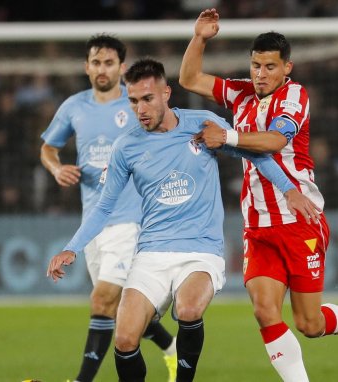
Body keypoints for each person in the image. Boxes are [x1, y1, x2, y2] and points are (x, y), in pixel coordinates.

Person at [47, 58, 318, 382]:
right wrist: (71, 248)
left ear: (166, 93)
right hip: (151, 255)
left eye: (147, 99)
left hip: (200, 252)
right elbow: (104, 208)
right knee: (124, 338)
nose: (140, 109)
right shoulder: (127, 147)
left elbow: (255, 155)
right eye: (133, 101)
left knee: (188, 310)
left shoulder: (202, 125)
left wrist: (289, 190)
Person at [179, 9, 338, 381]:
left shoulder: (295, 97)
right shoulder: (240, 92)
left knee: (309, 322)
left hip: (299, 221)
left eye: (270, 67)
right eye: (256, 66)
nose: (260, 74)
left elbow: (274, 141)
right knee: (264, 311)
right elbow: (189, 77)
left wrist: (227, 136)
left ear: (286, 68)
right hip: (257, 226)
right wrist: (200, 38)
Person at [40, 35, 177, 382]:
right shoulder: (74, 107)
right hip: (94, 222)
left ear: (122, 68)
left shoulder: (136, 106)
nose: (102, 69)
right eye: (96, 63)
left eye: (109, 63)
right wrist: (57, 168)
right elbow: (48, 148)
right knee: (117, 308)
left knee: (102, 300)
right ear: (87, 67)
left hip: (131, 221)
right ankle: (168, 343)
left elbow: (165, 137)